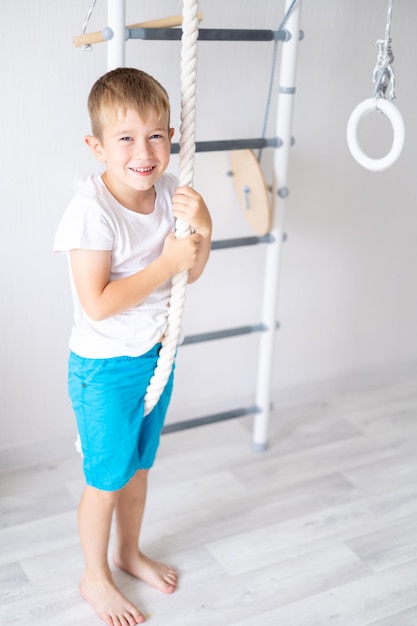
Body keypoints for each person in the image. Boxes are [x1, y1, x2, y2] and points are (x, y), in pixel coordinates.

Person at [53, 67, 212, 626]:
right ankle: (94, 577)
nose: (144, 151)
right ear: (97, 147)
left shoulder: (171, 192)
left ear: (171, 137)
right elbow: (96, 302)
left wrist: (204, 230)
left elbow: (188, 275)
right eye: (125, 138)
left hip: (155, 356)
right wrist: (166, 261)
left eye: (156, 135)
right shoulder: (91, 213)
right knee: (106, 480)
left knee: (139, 470)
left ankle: (127, 551)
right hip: (104, 369)